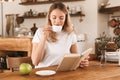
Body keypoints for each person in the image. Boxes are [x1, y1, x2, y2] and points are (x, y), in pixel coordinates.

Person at [31, 2, 89, 68]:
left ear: (65, 18)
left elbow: (76, 58)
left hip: (62, 73)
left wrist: (81, 62)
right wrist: (44, 37)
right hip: (43, 73)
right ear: (49, 17)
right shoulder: (40, 32)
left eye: (61, 18)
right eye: (54, 17)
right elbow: (35, 62)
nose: (58, 21)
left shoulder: (70, 33)